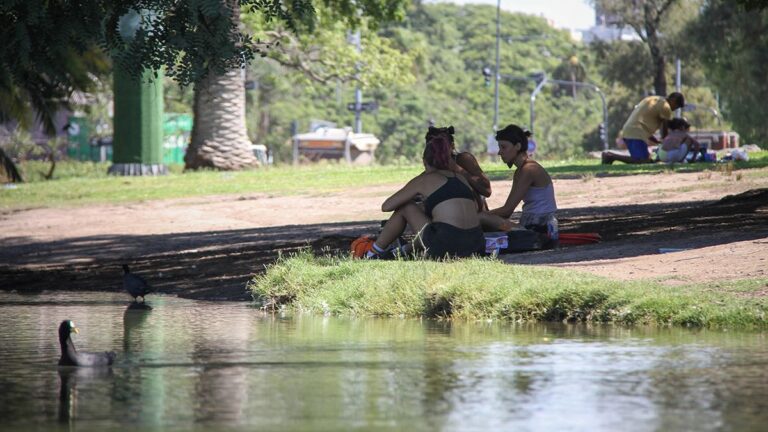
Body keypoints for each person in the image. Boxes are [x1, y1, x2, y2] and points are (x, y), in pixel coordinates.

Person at [360, 130, 485, 260]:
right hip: (476, 245)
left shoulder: (424, 180)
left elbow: (386, 206)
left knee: (406, 206)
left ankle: (372, 253)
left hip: (445, 246)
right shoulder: (461, 178)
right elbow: (474, 207)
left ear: (424, 161)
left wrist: (413, 196)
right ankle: (401, 251)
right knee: (434, 220)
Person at [480, 124, 558, 244]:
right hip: (530, 226)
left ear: (517, 146)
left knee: (482, 218)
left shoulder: (528, 169)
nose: (500, 152)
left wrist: (479, 216)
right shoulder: (521, 170)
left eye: (503, 147)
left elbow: (507, 211)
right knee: (485, 221)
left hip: (538, 230)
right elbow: (506, 212)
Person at [602, 92, 685, 164]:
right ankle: (610, 156)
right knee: (642, 160)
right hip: (636, 133)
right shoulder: (665, 106)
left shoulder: (655, 99)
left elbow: (644, 122)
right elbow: (665, 127)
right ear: (673, 100)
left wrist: (655, 140)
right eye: (676, 106)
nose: (674, 109)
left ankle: (610, 156)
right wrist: (665, 141)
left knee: (646, 160)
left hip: (631, 130)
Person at [425, 125, 491, 211]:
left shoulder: (463, 159)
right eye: (433, 147)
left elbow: (487, 191)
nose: (438, 151)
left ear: (452, 146)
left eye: (442, 147)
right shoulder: (431, 166)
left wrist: (458, 169)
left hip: (475, 213)